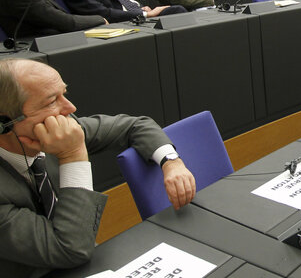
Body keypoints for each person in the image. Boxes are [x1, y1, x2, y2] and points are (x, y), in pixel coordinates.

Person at [0, 59, 196, 277]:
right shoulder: (64, 141)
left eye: (63, 93)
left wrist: (171, 162)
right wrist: (73, 155)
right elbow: (71, 249)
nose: (70, 108)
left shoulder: (62, 126)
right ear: (4, 123)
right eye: (50, 102)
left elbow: (135, 125)